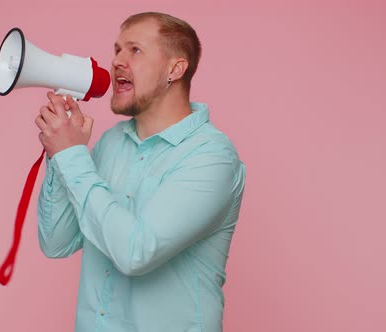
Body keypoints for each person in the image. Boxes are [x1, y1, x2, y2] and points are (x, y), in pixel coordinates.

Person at [34, 12, 245, 332]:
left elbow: (136, 252)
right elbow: (57, 242)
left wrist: (72, 155)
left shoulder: (212, 158)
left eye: (134, 50)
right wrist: (60, 154)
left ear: (175, 69)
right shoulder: (111, 143)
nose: (117, 60)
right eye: (116, 49)